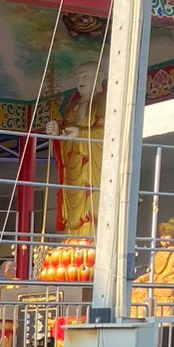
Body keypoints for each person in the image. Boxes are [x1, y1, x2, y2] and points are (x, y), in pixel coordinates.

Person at [46, 60, 107, 236]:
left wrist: (80, 133)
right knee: (72, 205)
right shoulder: (73, 105)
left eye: (85, 76)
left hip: (91, 166)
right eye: (78, 77)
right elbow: (66, 136)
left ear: (99, 77)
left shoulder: (104, 101)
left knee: (91, 203)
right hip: (73, 165)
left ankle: (93, 237)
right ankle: (73, 237)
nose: (80, 80)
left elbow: (109, 133)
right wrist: (57, 132)